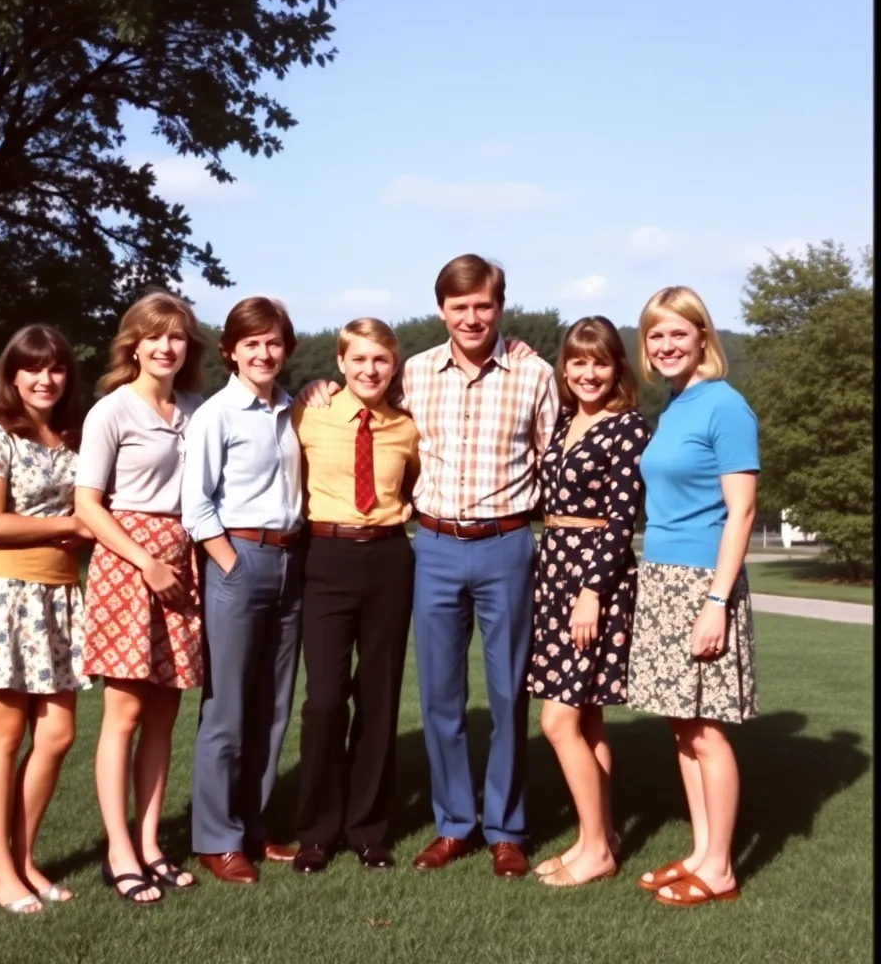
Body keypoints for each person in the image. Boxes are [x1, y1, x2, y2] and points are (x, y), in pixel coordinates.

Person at [300, 255, 559, 877]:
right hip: (434, 548)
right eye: (459, 306)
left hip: (506, 543)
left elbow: (555, 463)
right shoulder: (413, 372)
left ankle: (506, 829)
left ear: (500, 307)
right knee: (440, 698)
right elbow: (365, 411)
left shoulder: (535, 374)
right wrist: (316, 388)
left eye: (483, 306)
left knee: (507, 696)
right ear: (442, 309)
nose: (472, 318)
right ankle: (453, 825)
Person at [0, 324, 91, 914]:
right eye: (32, 367)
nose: (45, 378)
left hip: (60, 596)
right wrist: (71, 527)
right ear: (12, 374)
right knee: (6, 738)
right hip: (6, 596)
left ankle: (25, 857)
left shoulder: (73, 437)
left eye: (56, 367)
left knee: (57, 735)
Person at [628, 286, 759, 907]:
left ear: (703, 336)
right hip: (661, 576)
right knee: (682, 726)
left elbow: (742, 511)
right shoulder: (674, 406)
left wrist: (716, 601)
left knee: (706, 730)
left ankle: (722, 869)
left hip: (702, 584)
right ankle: (703, 852)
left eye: (678, 332)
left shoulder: (725, 406)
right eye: (656, 336)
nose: (667, 344)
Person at [74, 288, 205, 906]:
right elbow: (87, 506)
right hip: (131, 564)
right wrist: (146, 561)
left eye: (176, 336)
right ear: (134, 343)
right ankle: (118, 851)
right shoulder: (112, 411)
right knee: (123, 714)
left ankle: (151, 845)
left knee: (163, 714)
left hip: (183, 564)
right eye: (154, 336)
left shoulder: (196, 409)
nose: (165, 346)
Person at [290, 318, 420, 874]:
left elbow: (412, 488)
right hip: (325, 556)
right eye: (359, 359)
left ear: (395, 367)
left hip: (388, 558)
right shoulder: (308, 416)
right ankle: (316, 830)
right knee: (323, 701)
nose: (370, 370)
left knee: (379, 697)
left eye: (381, 361)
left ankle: (368, 828)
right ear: (340, 363)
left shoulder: (406, 428)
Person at [182, 297, 304, 885]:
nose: (263, 352)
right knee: (227, 707)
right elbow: (195, 502)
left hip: (289, 560)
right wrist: (229, 562)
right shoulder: (217, 414)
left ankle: (252, 826)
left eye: (273, 342)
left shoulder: (291, 409)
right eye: (251, 343)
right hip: (238, 559)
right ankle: (215, 838)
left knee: (273, 707)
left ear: (286, 349)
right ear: (231, 350)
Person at [527, 317, 650, 887]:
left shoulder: (628, 429)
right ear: (565, 367)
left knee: (558, 721)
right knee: (589, 718)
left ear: (617, 366)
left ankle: (596, 851)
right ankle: (595, 836)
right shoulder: (564, 422)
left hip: (592, 579)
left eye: (599, 362)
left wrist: (591, 593)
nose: (588, 373)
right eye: (578, 362)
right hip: (554, 569)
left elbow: (622, 519)